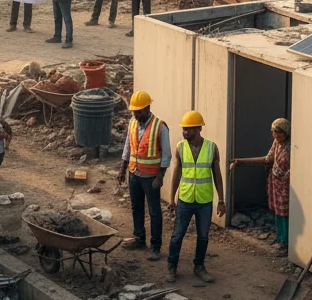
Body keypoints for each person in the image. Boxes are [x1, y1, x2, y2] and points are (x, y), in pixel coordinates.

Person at [167, 110, 225, 283]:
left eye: (189, 129)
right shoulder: (180, 147)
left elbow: (218, 176)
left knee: (203, 236)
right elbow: (176, 174)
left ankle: (199, 266)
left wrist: (221, 200)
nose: (185, 132)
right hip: (185, 199)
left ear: (199, 129)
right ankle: (172, 266)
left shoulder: (211, 148)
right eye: (184, 129)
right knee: (177, 235)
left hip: (204, 201)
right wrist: (172, 199)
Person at [117, 91, 171, 261]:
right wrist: (122, 169)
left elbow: (167, 155)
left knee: (154, 211)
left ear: (147, 108)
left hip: (151, 177)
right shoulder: (133, 123)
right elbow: (128, 147)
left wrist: (160, 177)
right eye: (134, 111)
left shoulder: (160, 126)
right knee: (136, 207)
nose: (136, 114)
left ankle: (155, 246)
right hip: (134, 173)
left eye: (139, 111)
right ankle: (139, 238)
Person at [230, 118, 291, 253]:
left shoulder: (292, 146)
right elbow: (267, 159)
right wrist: (241, 162)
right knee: (278, 212)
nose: (276, 136)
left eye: (279, 133)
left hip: (286, 186)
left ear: (286, 132)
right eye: (274, 133)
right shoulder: (277, 144)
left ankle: (286, 241)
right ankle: (280, 238)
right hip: (276, 184)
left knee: (286, 213)